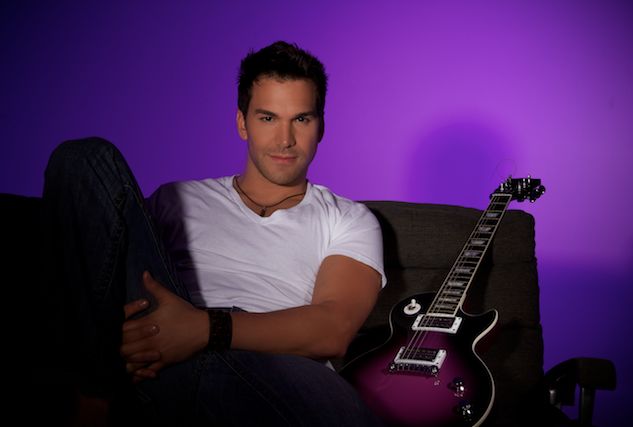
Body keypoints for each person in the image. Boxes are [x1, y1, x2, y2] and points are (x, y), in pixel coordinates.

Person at [37, 41, 386, 426]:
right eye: (268, 118)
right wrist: (120, 334)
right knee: (83, 159)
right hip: (163, 353)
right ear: (242, 123)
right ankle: (94, 391)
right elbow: (98, 267)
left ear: (321, 126)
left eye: (301, 119)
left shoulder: (348, 218)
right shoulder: (175, 200)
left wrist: (203, 328)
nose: (285, 139)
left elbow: (333, 329)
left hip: (274, 370)